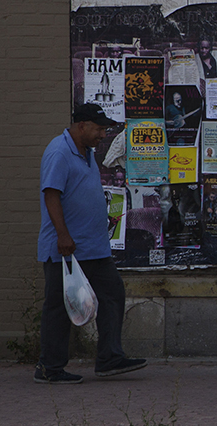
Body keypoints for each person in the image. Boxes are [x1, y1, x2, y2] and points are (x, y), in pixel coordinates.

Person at [36, 104, 147, 384]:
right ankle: (50, 368)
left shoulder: (87, 152)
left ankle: (109, 358)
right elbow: (51, 195)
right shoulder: (59, 151)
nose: (102, 135)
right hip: (67, 249)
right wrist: (63, 235)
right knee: (59, 306)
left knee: (112, 293)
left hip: (94, 248)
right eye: (99, 129)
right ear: (82, 126)